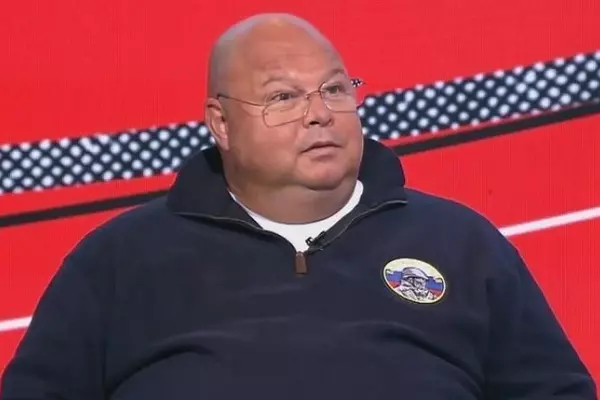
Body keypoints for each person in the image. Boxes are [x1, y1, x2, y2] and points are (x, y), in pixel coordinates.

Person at [1, 13, 596, 400]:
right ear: (221, 125)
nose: (319, 114)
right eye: (283, 97)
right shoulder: (119, 259)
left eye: (335, 89)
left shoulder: (461, 243)